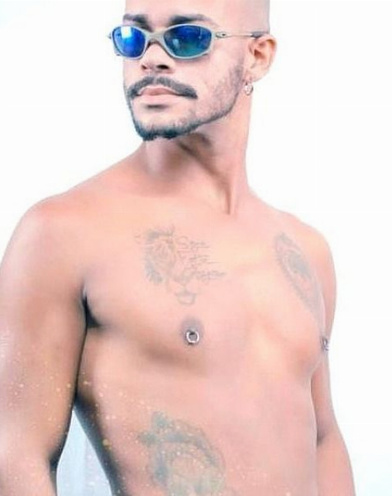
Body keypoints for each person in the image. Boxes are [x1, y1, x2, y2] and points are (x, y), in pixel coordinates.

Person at [0, 0, 356, 494]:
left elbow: (322, 437)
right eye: (133, 39)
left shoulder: (305, 251)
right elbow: (16, 453)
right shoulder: (63, 233)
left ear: (257, 56)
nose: (151, 58)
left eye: (187, 38)